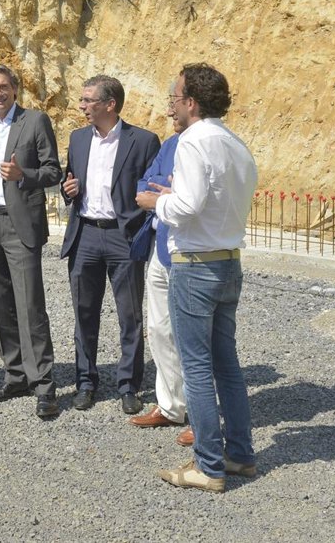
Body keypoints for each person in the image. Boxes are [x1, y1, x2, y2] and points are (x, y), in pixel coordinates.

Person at [137, 63, 258, 493]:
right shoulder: (235, 143)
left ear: (191, 102)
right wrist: (177, 197)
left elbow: (186, 207)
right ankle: (239, 454)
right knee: (227, 364)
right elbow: (215, 200)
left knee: (197, 367)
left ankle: (208, 465)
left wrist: (155, 202)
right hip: (228, 261)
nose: (171, 108)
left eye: (174, 99)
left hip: (195, 264)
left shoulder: (191, 141)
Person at [0, 64, 63, 418]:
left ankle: (44, 384)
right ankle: (16, 374)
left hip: (18, 223)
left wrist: (24, 174)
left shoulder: (34, 121)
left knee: (30, 305)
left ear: (15, 89)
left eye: (4, 87)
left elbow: (53, 170)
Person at [59, 75, 159, 413]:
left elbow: (151, 189)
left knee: (130, 316)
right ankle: (86, 383)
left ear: (110, 104)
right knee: (84, 314)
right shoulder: (77, 139)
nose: (82, 106)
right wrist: (67, 191)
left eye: (88, 100)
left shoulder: (143, 141)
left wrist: (138, 227)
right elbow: (69, 181)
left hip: (122, 236)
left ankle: (129, 385)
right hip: (85, 234)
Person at [127, 97, 193, 447]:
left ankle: (203, 414)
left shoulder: (206, 146)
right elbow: (145, 185)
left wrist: (167, 195)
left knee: (194, 339)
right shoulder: (169, 145)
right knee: (159, 329)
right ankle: (170, 405)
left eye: (174, 103)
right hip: (161, 248)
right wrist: (163, 192)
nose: (168, 111)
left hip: (190, 253)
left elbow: (192, 199)